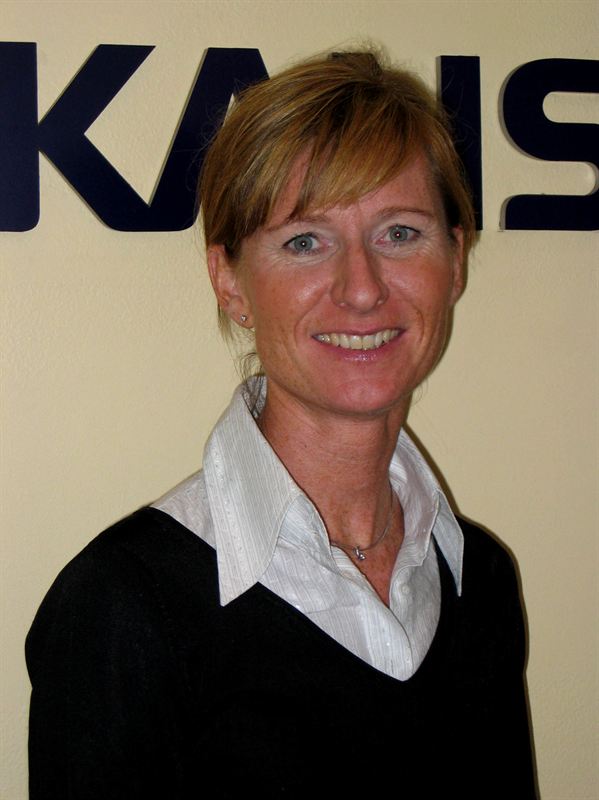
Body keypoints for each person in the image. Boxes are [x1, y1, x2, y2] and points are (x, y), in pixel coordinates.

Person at [26, 49, 537, 798]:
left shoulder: (478, 578)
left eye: (400, 233)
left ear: (454, 260)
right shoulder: (125, 605)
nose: (361, 289)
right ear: (229, 282)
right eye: (304, 241)